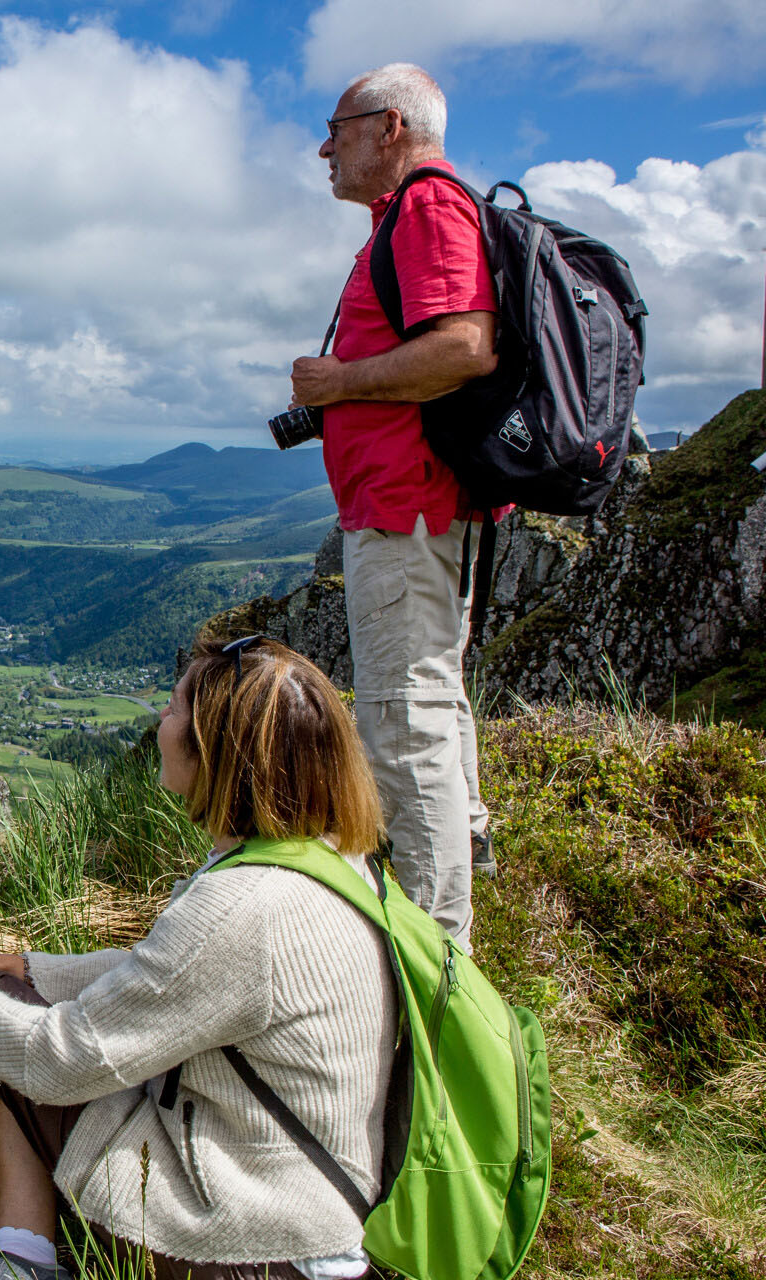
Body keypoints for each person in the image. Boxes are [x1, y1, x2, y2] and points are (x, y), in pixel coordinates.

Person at [0, 636, 398, 1280]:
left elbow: (61, 1061)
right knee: (0, 1012)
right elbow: (158, 977)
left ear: (216, 752)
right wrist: (8, 967)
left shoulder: (245, 906)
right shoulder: (326, 863)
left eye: (171, 709)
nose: (158, 723)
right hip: (290, 1211)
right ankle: (16, 1256)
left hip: (241, 1244)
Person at [289, 62, 499, 947]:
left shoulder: (426, 208)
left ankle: (434, 950)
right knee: (431, 697)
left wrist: (339, 383)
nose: (326, 146)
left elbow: (464, 347)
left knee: (400, 716)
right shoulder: (411, 216)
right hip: (416, 501)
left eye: (339, 127)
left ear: (393, 127)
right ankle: (462, 857)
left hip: (405, 505)